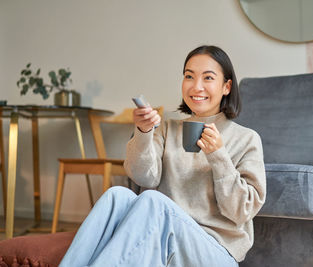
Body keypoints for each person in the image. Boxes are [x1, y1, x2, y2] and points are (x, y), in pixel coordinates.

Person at [59, 45, 266, 267]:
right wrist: (144, 132)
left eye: (208, 78)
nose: (196, 86)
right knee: (117, 196)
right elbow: (143, 178)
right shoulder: (168, 129)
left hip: (215, 252)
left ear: (226, 87)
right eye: (189, 76)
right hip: (165, 239)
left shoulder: (246, 138)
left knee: (153, 200)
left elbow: (242, 211)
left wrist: (218, 155)